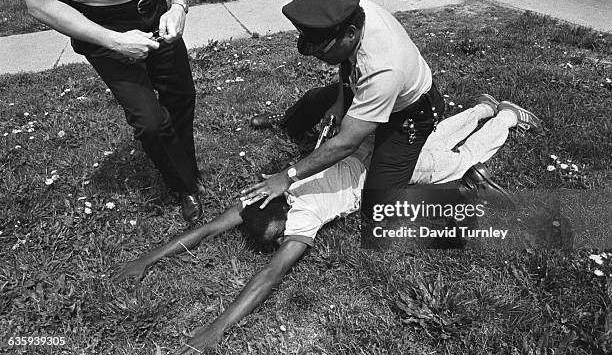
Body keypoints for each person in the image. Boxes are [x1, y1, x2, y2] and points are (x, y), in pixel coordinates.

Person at [114, 94, 543, 353]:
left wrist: (216, 328)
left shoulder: (304, 215)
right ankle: (483, 107)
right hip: (376, 153)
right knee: (432, 142)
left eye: (278, 235)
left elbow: (270, 275)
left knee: (451, 162)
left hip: (388, 172)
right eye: (276, 237)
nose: (281, 240)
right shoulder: (264, 193)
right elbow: (208, 229)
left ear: (281, 213)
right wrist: (146, 259)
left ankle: (505, 117)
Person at [241, 0, 542, 211]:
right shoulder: (355, 15)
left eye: (322, 51)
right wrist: (339, 101)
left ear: (349, 34)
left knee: (381, 204)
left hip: (412, 115)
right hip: (384, 93)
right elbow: (348, 64)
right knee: (314, 100)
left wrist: (287, 177)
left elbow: (346, 143)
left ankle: (497, 132)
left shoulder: (383, 69)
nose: (319, 57)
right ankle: (483, 109)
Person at [13, 0, 202, 222]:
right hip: (100, 27)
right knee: (150, 122)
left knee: (181, 96)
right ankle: (184, 186)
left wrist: (178, 6)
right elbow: (38, 1)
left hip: (156, 9)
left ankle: (187, 169)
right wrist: (115, 41)